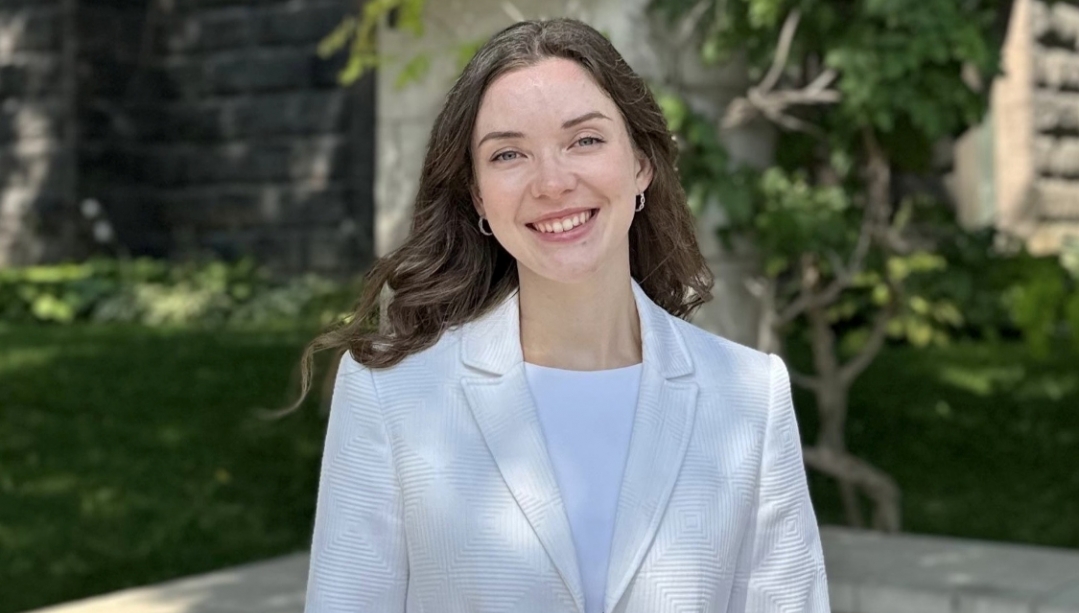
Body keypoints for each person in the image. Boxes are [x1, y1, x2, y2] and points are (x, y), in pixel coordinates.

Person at [299, 17, 830, 613]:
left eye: (585, 140)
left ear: (642, 165)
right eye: (508, 154)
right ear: (478, 195)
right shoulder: (388, 396)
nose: (552, 182)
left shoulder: (750, 397)